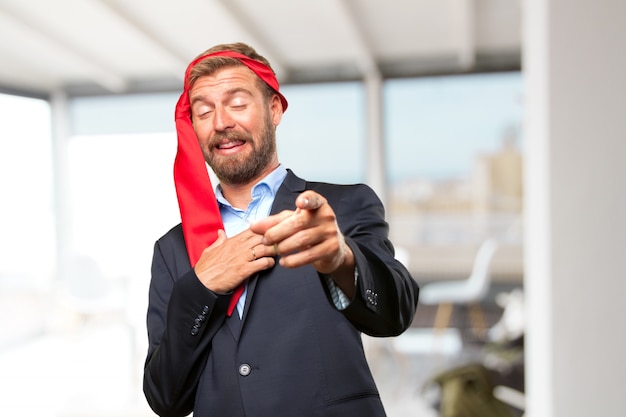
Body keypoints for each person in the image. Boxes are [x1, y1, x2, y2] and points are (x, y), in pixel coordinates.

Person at [143, 42, 419, 417]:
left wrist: (341, 258)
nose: (221, 122)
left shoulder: (343, 206)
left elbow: (395, 314)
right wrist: (201, 286)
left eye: (238, 103)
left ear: (274, 109)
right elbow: (165, 399)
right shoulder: (171, 249)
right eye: (204, 111)